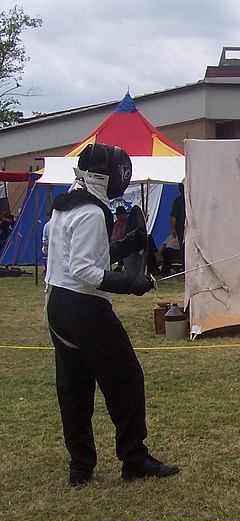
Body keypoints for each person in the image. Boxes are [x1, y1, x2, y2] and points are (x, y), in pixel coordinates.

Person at [45, 143, 179, 487]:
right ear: (104, 176)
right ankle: (134, 460)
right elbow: (84, 270)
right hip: (84, 307)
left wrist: (122, 245)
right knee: (127, 379)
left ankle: (81, 467)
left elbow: (73, 256)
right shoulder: (91, 213)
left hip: (57, 306)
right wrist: (129, 283)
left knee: (74, 387)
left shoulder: (67, 204)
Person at [170, 183, 186, 266]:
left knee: (183, 248)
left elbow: (173, 216)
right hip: (188, 226)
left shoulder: (178, 201)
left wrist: (173, 228)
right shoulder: (193, 199)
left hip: (182, 227)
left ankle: (185, 267)